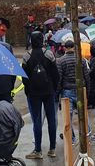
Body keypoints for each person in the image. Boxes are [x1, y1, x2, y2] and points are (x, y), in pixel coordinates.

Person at [22, 31, 59, 160]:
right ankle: (52, 149)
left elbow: (24, 78)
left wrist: (28, 90)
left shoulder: (27, 56)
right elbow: (56, 74)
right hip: (48, 91)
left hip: (33, 93)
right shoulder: (49, 54)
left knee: (37, 121)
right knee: (51, 120)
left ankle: (38, 150)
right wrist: (55, 89)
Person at [56, 39, 90, 144]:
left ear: (65, 48)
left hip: (67, 90)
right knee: (82, 114)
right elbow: (87, 76)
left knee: (68, 117)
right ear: (74, 48)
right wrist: (88, 90)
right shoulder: (82, 60)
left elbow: (59, 78)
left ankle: (72, 138)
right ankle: (86, 135)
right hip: (80, 89)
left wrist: (58, 92)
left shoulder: (60, 61)